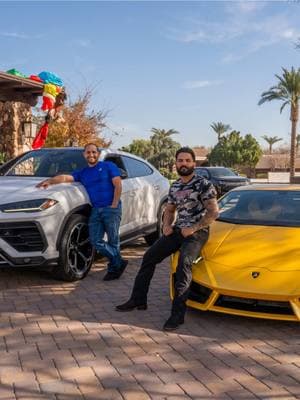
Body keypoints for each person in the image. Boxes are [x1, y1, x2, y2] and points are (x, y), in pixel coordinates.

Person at [116, 147, 219, 331]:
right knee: (149, 257)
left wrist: (194, 228)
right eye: (180, 160)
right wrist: (166, 226)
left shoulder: (203, 184)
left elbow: (213, 212)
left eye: (187, 160)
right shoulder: (176, 186)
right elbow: (170, 209)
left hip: (198, 232)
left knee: (183, 265)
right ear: (176, 164)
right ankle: (138, 299)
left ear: (194, 164)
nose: (184, 164)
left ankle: (177, 315)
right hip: (178, 230)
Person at [36, 143, 128, 281]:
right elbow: (66, 178)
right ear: (84, 155)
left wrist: (114, 205)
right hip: (96, 209)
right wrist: (50, 181)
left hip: (111, 208)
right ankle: (118, 260)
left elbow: (118, 184)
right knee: (95, 240)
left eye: (94, 152)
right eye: (88, 152)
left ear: (98, 153)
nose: (91, 155)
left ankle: (114, 269)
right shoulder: (83, 173)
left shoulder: (109, 166)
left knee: (113, 241)